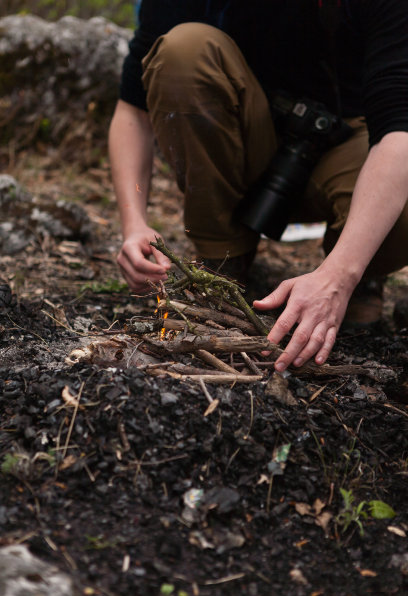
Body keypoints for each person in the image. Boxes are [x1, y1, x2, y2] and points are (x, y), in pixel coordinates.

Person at [108, 0, 408, 373]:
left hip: (350, 140)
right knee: (182, 53)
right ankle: (223, 259)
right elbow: (132, 109)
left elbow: (399, 133)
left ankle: (362, 273)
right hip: (244, 137)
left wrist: (340, 274)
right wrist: (133, 224)